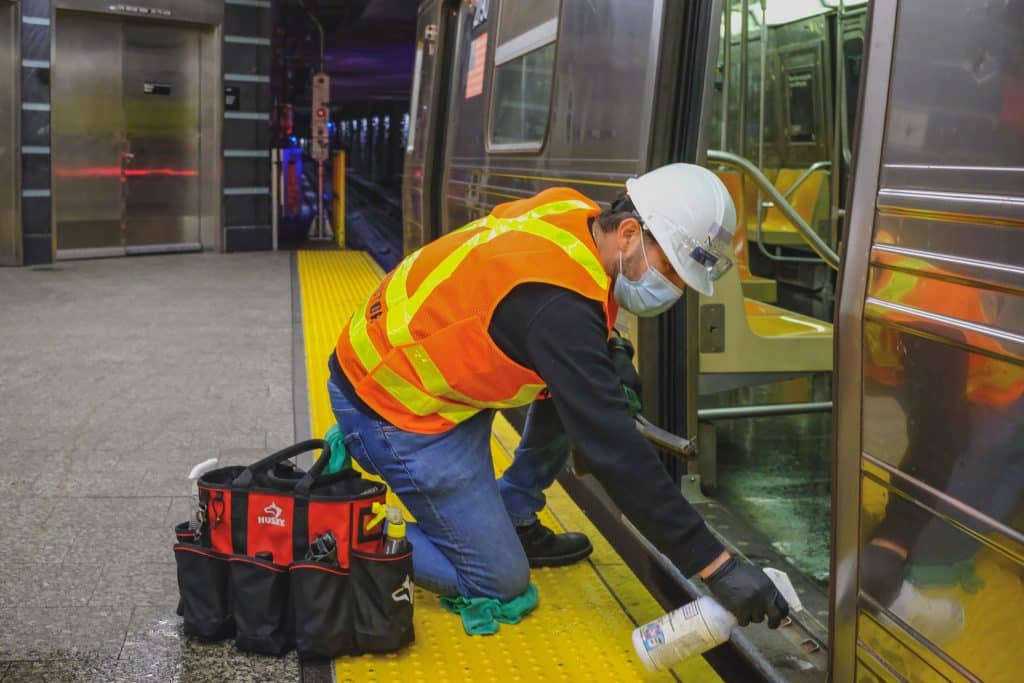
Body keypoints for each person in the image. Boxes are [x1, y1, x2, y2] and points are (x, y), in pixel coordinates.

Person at [326, 163, 788, 629]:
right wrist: (715, 565)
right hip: (392, 410)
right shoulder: (558, 311)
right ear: (629, 232)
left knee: (587, 388)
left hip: (427, 378)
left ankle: (515, 512)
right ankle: (340, 528)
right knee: (498, 582)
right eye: (671, 268)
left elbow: (556, 321)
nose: (675, 287)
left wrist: (610, 347)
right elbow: (614, 451)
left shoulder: (575, 212)